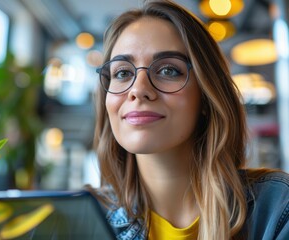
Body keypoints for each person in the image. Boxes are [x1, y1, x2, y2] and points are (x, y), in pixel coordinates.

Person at [92, 0, 289, 239]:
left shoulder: (276, 209)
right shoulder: (78, 220)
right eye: (122, 73)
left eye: (168, 70)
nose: (138, 89)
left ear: (207, 96)